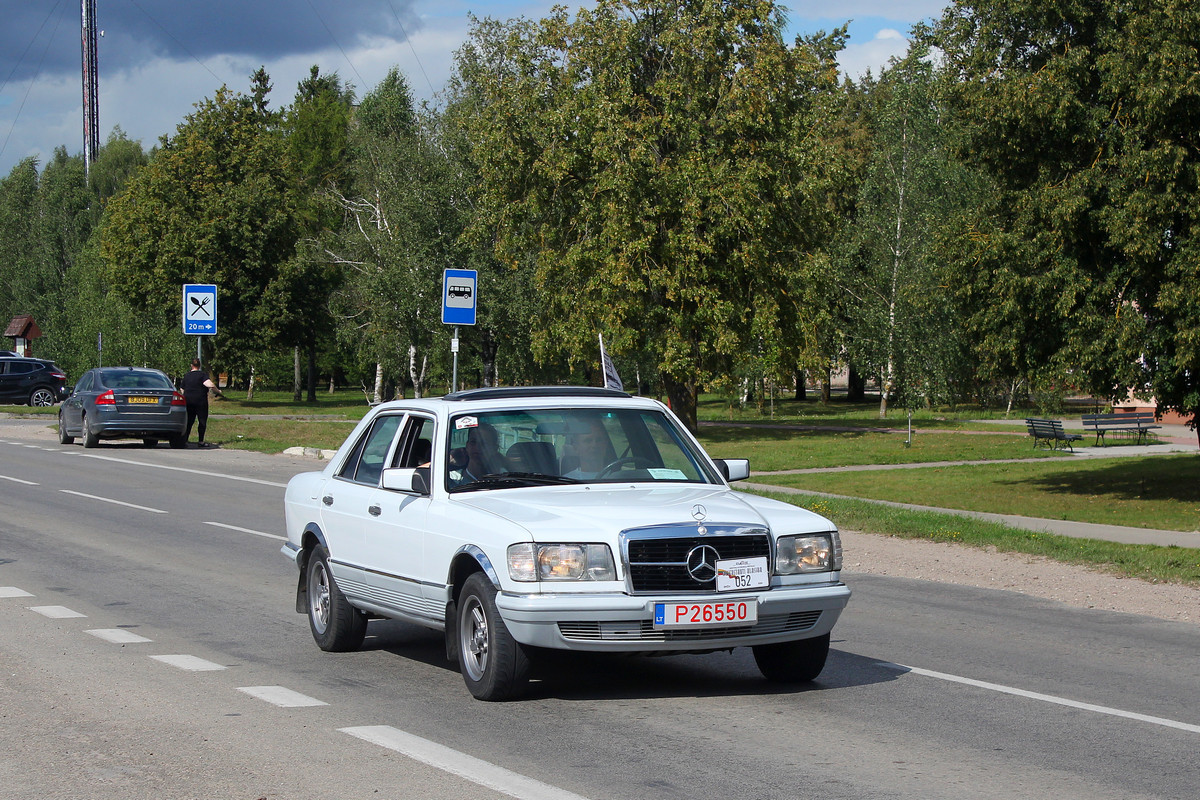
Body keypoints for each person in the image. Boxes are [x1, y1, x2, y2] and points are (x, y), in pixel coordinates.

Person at [181, 358, 221, 447]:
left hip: (189, 401)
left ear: (191, 365)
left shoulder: (187, 375)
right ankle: (201, 441)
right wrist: (218, 391)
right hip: (200, 401)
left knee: (189, 421)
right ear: (199, 366)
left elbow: (182, 388)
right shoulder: (202, 375)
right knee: (202, 421)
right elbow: (209, 384)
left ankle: (185, 440)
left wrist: (186, 395)